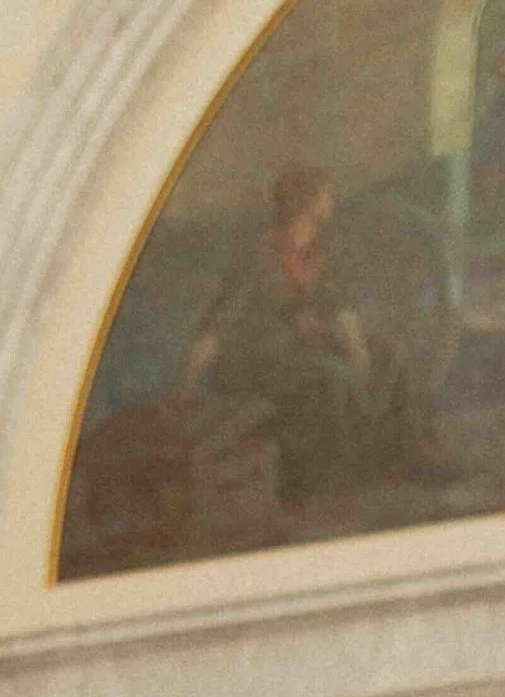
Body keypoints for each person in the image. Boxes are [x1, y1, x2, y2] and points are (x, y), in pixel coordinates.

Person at [179, 165, 433, 504]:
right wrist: (190, 376)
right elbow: (221, 320)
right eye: (325, 195)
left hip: (307, 349)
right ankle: (328, 485)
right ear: (307, 203)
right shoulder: (260, 256)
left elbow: (337, 305)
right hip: (264, 362)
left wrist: (358, 348)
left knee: (389, 355)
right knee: (329, 381)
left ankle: (407, 455)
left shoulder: (314, 254)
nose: (332, 202)